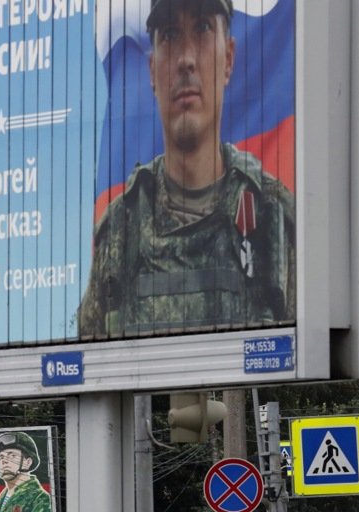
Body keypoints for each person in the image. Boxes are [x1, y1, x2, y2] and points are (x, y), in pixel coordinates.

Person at [78, 0, 295, 339]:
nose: (186, 60)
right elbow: (90, 362)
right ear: (151, 70)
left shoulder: (273, 215)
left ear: (228, 59)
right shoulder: (121, 229)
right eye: (170, 35)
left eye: (203, 29)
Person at [0, 432, 53, 512]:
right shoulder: (3, 495)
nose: (4, 461)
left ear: (27, 462)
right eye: (1, 457)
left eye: (12, 456)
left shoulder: (40, 499)